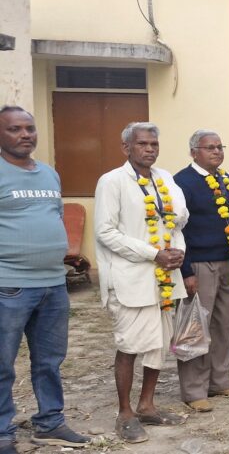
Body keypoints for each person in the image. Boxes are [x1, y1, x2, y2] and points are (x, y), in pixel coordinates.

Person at [0, 106, 91, 451]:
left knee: (50, 361)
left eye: (29, 128)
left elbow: (52, 216)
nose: (25, 134)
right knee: (3, 364)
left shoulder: (49, 174)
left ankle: (50, 422)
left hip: (53, 284)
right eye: (14, 129)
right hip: (9, 285)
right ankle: (2, 431)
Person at [95, 122, 189, 442]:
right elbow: (106, 232)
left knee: (159, 343)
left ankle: (147, 405)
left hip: (165, 277)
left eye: (154, 144)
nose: (150, 149)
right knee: (130, 345)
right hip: (131, 277)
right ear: (126, 148)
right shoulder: (112, 181)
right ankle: (125, 413)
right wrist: (153, 254)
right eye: (142, 144)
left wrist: (176, 251)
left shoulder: (165, 179)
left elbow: (177, 221)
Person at [173, 129, 229, 412]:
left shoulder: (225, 179)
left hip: (228, 261)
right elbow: (177, 230)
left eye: (220, 147)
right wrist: (186, 271)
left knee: (223, 325)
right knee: (195, 326)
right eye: (210, 147)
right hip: (200, 264)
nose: (217, 152)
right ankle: (194, 391)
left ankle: (220, 381)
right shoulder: (182, 182)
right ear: (194, 152)